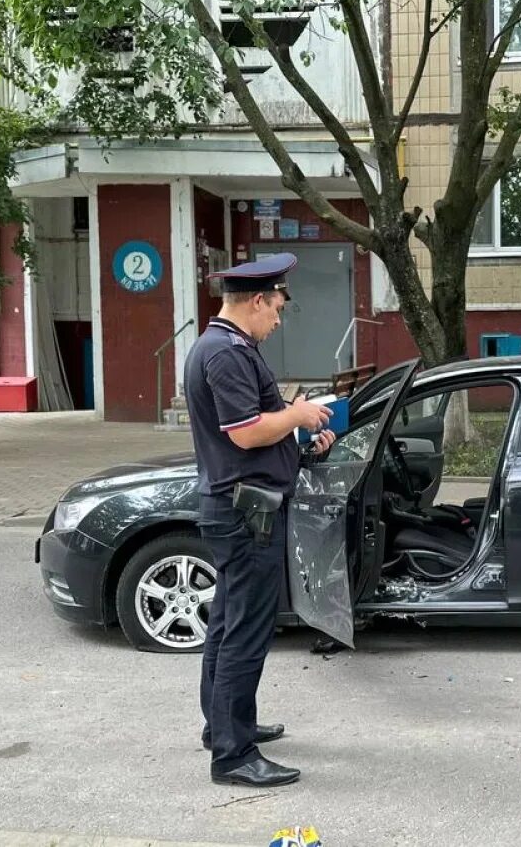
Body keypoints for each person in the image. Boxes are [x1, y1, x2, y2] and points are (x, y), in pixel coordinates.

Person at [185, 252, 336, 789]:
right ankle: (232, 755)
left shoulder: (230, 347)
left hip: (240, 507)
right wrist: (295, 414)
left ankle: (226, 726)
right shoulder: (226, 353)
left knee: (227, 624)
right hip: (244, 513)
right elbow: (245, 433)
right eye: (276, 308)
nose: (278, 319)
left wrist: (299, 432)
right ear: (256, 301)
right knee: (245, 633)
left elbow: (259, 428)